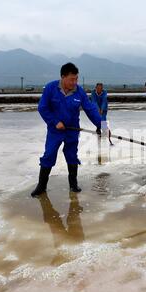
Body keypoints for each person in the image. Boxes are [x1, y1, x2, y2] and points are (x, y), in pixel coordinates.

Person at [31, 63, 103, 197]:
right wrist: (55, 122)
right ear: (63, 77)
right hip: (55, 130)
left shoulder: (79, 91)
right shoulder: (51, 88)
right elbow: (43, 108)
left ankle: (73, 185)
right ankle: (41, 186)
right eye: (71, 79)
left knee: (71, 155)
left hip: (72, 129)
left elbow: (91, 109)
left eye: (76, 79)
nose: (74, 82)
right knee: (49, 154)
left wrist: (103, 126)